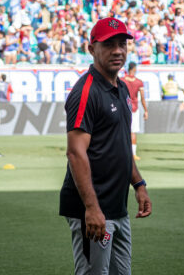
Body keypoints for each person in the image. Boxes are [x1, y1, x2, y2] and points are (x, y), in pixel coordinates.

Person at [60, 17, 151, 274]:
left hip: (117, 206)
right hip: (94, 209)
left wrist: (139, 184)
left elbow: (120, 146)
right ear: (91, 49)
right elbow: (76, 152)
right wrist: (91, 208)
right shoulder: (85, 92)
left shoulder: (121, 88)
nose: (118, 51)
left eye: (122, 44)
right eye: (109, 44)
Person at [122, 62, 148, 161]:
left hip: (123, 108)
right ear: (134, 69)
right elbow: (142, 98)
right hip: (134, 108)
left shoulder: (122, 80)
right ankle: (133, 154)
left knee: (122, 131)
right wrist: (146, 110)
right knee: (133, 131)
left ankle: (121, 153)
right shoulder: (139, 82)